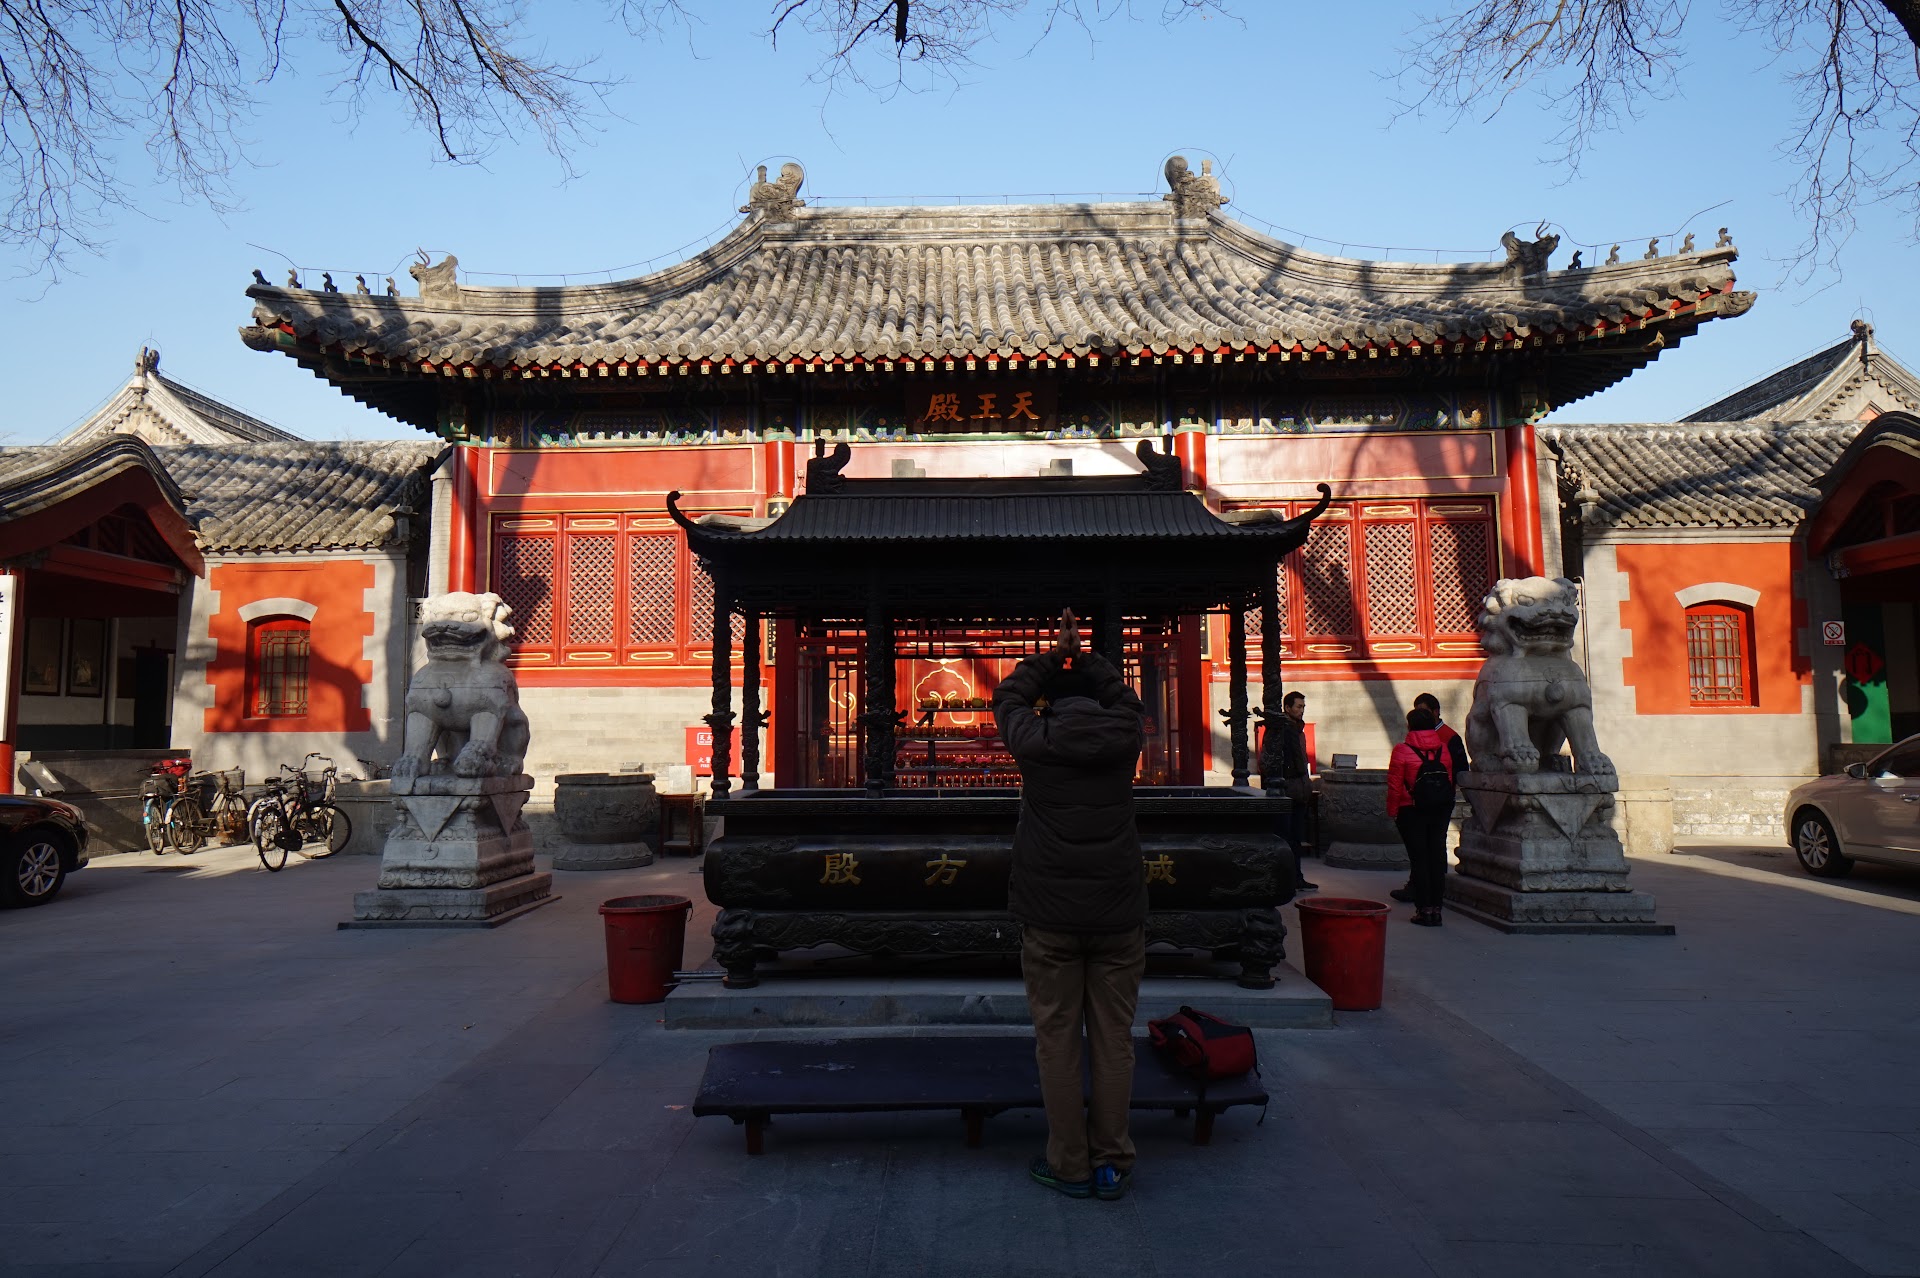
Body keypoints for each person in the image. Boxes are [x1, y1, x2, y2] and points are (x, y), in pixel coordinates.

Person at [993, 608, 1147, 1203]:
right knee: (1114, 1038)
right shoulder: (1126, 735)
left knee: (1056, 1038)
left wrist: (1052, 656)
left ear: (1049, 707)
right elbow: (1126, 698)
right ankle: (1112, 1161)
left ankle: (1070, 1165)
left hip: (1049, 913)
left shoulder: (1035, 741)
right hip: (1117, 912)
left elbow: (1008, 697)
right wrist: (1087, 660)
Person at [1391, 692, 1468, 904]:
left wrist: (1394, 810)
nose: (1421, 716)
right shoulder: (1439, 742)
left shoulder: (1448, 738)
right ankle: (1431, 899)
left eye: (1424, 712)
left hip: (1426, 803)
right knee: (1430, 850)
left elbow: (1460, 770)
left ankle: (1426, 897)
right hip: (1438, 803)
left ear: (1436, 712)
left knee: (1426, 852)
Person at [1272, 690, 1319, 892]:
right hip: (1288, 789)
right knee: (1287, 837)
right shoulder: (1282, 730)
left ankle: (1296, 876)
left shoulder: (1299, 730)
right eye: (1298, 706)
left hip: (1299, 789)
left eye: (1303, 707)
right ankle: (1287, 878)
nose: (1301, 710)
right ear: (1287, 707)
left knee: (1297, 837)